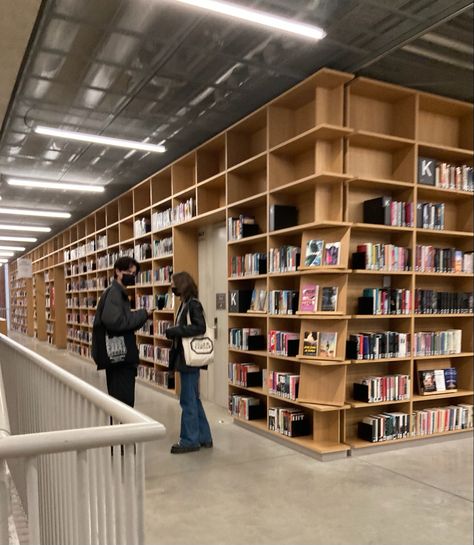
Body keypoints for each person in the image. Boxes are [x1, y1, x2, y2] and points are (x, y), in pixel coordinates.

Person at [92, 256, 153, 407]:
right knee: (123, 403)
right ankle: (124, 430)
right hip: (119, 358)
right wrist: (142, 314)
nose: (132, 277)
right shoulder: (114, 293)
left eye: (134, 274)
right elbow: (115, 322)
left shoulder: (117, 292)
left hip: (118, 357)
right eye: (129, 273)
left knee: (120, 402)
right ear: (118, 272)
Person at [165, 272, 213, 454]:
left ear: (182, 285)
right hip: (185, 359)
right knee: (193, 399)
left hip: (190, 360)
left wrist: (176, 331)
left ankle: (190, 440)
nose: (172, 287)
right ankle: (204, 437)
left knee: (188, 400)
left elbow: (199, 327)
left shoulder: (193, 304)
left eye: (173, 283)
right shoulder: (185, 303)